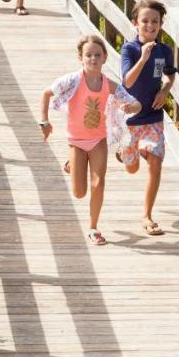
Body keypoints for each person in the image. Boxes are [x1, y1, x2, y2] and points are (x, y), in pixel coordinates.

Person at [40, 35, 140, 245]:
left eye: (97, 55)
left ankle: (93, 228)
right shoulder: (73, 80)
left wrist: (131, 107)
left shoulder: (109, 85)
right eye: (88, 55)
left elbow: (135, 103)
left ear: (105, 58)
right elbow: (46, 93)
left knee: (98, 183)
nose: (93, 58)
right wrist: (44, 122)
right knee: (79, 192)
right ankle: (72, 163)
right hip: (76, 140)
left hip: (98, 140)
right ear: (80, 58)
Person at [119, 0, 177, 236]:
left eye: (155, 21)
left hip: (153, 116)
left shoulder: (165, 50)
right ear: (135, 23)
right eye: (145, 21)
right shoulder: (129, 50)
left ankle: (147, 215)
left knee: (156, 162)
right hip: (130, 118)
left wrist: (164, 91)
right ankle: (128, 153)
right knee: (131, 168)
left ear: (161, 24)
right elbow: (128, 81)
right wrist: (143, 58)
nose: (150, 25)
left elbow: (170, 76)